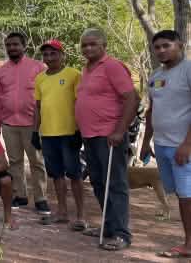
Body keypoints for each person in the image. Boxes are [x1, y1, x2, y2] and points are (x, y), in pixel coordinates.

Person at [75, 28, 138, 251]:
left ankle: (122, 234)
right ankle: (109, 227)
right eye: (84, 45)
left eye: (93, 44)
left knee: (115, 184)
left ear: (104, 45)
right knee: (99, 183)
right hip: (90, 136)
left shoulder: (112, 66)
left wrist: (120, 130)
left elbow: (131, 97)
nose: (88, 48)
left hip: (109, 136)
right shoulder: (87, 69)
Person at [140, 30, 191, 258]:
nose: (161, 50)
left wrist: (187, 144)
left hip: (184, 146)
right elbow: (152, 110)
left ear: (179, 44)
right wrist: (145, 141)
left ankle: (189, 245)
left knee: (187, 196)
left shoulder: (188, 70)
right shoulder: (155, 75)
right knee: (180, 195)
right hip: (161, 145)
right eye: (157, 47)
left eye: (166, 45)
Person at [0, 32, 50, 215]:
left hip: (33, 124)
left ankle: (41, 199)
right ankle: (20, 195)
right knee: (15, 161)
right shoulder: (1, 71)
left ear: (24, 46)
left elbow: (47, 96)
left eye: (15, 44)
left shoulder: (39, 67)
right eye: (9, 45)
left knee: (37, 162)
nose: (12, 48)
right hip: (9, 124)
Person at [33, 40, 86, 229]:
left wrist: (79, 130)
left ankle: (80, 216)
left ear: (62, 55)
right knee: (56, 175)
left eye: (53, 53)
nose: (49, 57)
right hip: (47, 134)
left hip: (69, 133)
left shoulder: (74, 75)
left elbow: (81, 104)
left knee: (75, 174)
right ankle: (62, 212)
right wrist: (34, 131)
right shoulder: (40, 78)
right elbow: (38, 108)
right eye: (46, 54)